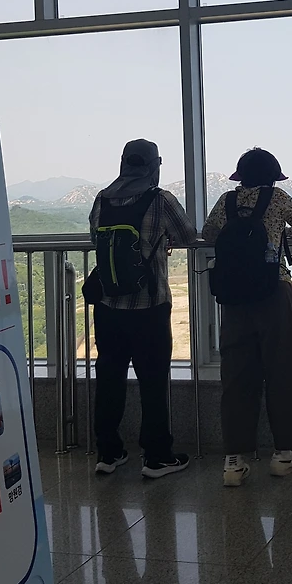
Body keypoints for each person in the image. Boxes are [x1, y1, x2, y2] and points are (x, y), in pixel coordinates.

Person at [203, 148, 292, 487]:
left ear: (240, 177)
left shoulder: (227, 201)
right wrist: (280, 235)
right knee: (282, 370)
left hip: (235, 298)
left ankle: (233, 461)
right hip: (274, 291)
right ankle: (283, 454)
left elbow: (209, 233)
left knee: (236, 375)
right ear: (273, 176)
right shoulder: (277, 198)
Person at [87, 139, 197, 478]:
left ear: (123, 163)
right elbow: (188, 235)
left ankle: (108, 453)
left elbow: (95, 240)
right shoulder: (160, 199)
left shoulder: (102, 198)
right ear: (153, 166)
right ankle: (156, 456)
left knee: (109, 378)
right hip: (149, 306)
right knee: (152, 381)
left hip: (108, 306)